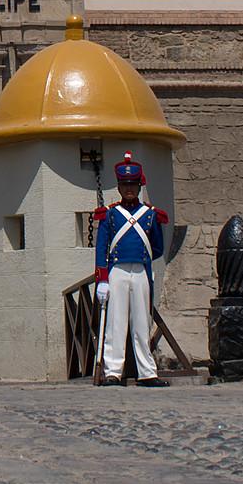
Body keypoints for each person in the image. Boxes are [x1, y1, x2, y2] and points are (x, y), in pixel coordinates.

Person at [93, 152, 170, 387]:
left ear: (139, 186)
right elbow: (101, 248)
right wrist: (102, 279)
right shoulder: (110, 214)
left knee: (141, 322)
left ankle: (147, 372)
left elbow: (156, 247)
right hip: (117, 271)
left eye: (133, 185)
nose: (129, 189)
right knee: (115, 322)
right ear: (118, 187)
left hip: (140, 271)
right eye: (125, 185)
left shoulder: (150, 214)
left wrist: (141, 260)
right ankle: (113, 372)